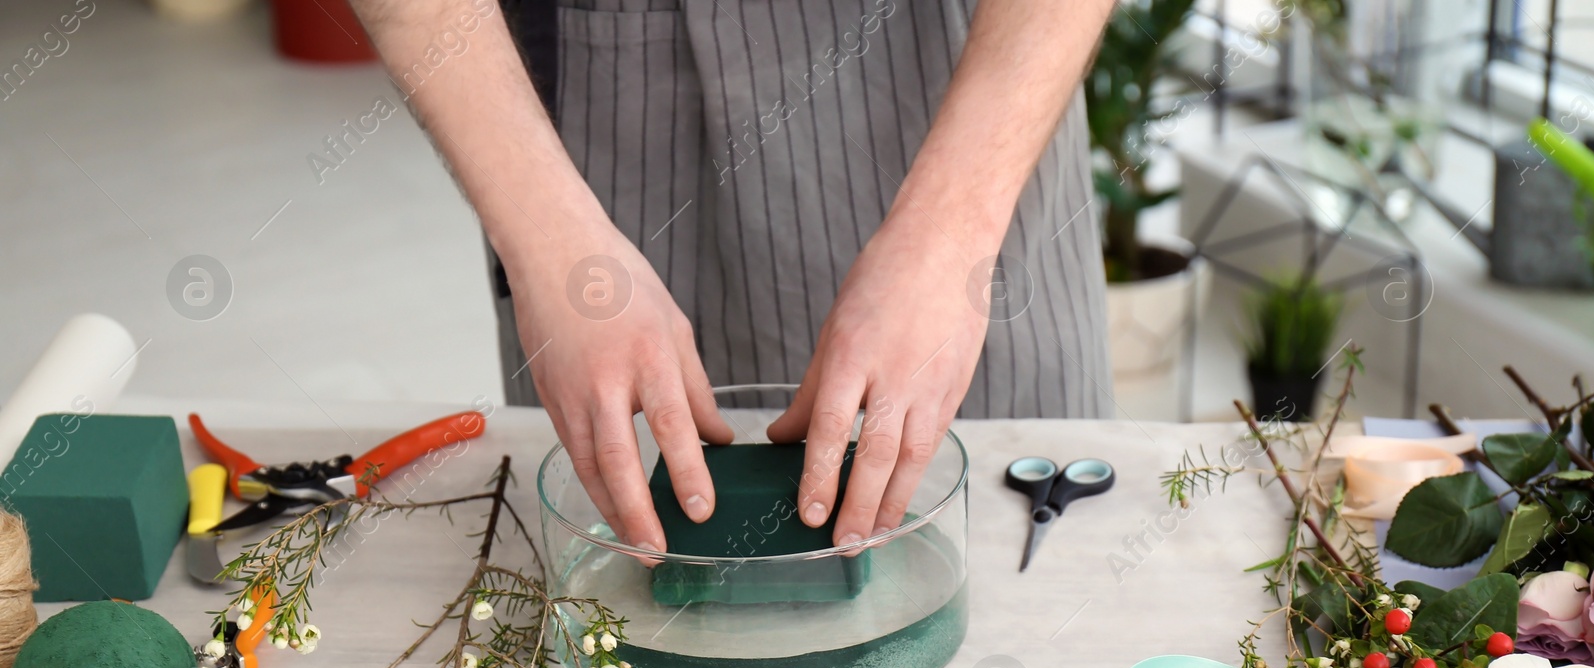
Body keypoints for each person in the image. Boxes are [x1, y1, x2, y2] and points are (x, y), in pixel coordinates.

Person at [350, 0, 1117, 553]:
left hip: (955, 91)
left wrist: (953, 236)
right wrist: (547, 233)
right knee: (621, 566)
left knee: (1023, 573)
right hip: (586, 127)